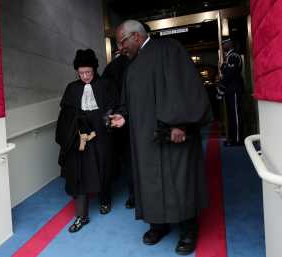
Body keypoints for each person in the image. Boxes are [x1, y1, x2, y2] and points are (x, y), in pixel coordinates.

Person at [110, 20, 212, 255]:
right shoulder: (131, 66)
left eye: (121, 42)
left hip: (174, 134)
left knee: (180, 181)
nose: (120, 48)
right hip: (145, 140)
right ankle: (159, 225)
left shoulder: (169, 48)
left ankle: (188, 230)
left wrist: (180, 123)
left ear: (135, 36)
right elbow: (131, 102)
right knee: (151, 183)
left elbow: (183, 86)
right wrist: (123, 117)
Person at [55, 49, 117, 233]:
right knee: (78, 174)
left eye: (88, 72)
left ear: (94, 70)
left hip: (102, 137)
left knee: (103, 168)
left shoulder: (106, 85)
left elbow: (114, 108)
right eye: (81, 73)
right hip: (79, 139)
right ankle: (81, 216)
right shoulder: (71, 88)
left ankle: (105, 199)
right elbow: (65, 116)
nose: (85, 76)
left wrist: (107, 119)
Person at [101, 50, 135, 208]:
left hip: (119, 119)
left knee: (128, 161)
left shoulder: (110, 68)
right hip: (138, 119)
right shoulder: (136, 62)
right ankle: (140, 196)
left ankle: (133, 196)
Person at [217, 38, 244, 146]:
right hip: (230, 90)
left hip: (234, 90)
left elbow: (229, 74)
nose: (222, 46)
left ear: (229, 44)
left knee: (236, 116)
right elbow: (225, 70)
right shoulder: (229, 56)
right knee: (231, 116)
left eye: (224, 44)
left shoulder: (234, 56)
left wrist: (221, 88)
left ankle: (238, 140)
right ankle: (233, 138)